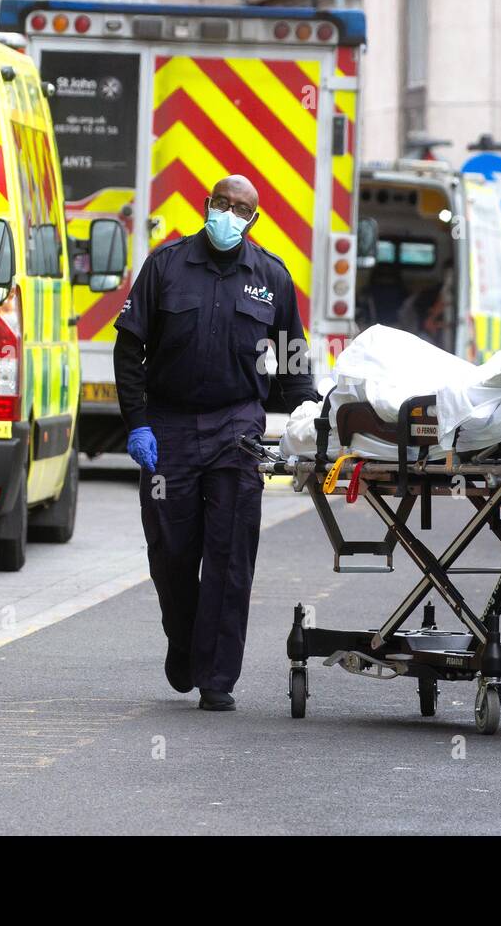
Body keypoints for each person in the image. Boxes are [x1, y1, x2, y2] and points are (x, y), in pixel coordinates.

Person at [113, 174, 317, 711]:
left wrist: (308, 424)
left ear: (254, 219)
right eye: (221, 203)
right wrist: (136, 421)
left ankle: (217, 678)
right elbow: (129, 347)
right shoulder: (166, 265)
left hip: (236, 430)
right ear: (207, 205)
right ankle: (184, 642)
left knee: (229, 557)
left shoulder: (271, 277)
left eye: (240, 208)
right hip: (169, 429)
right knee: (171, 552)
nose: (228, 213)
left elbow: (293, 361)